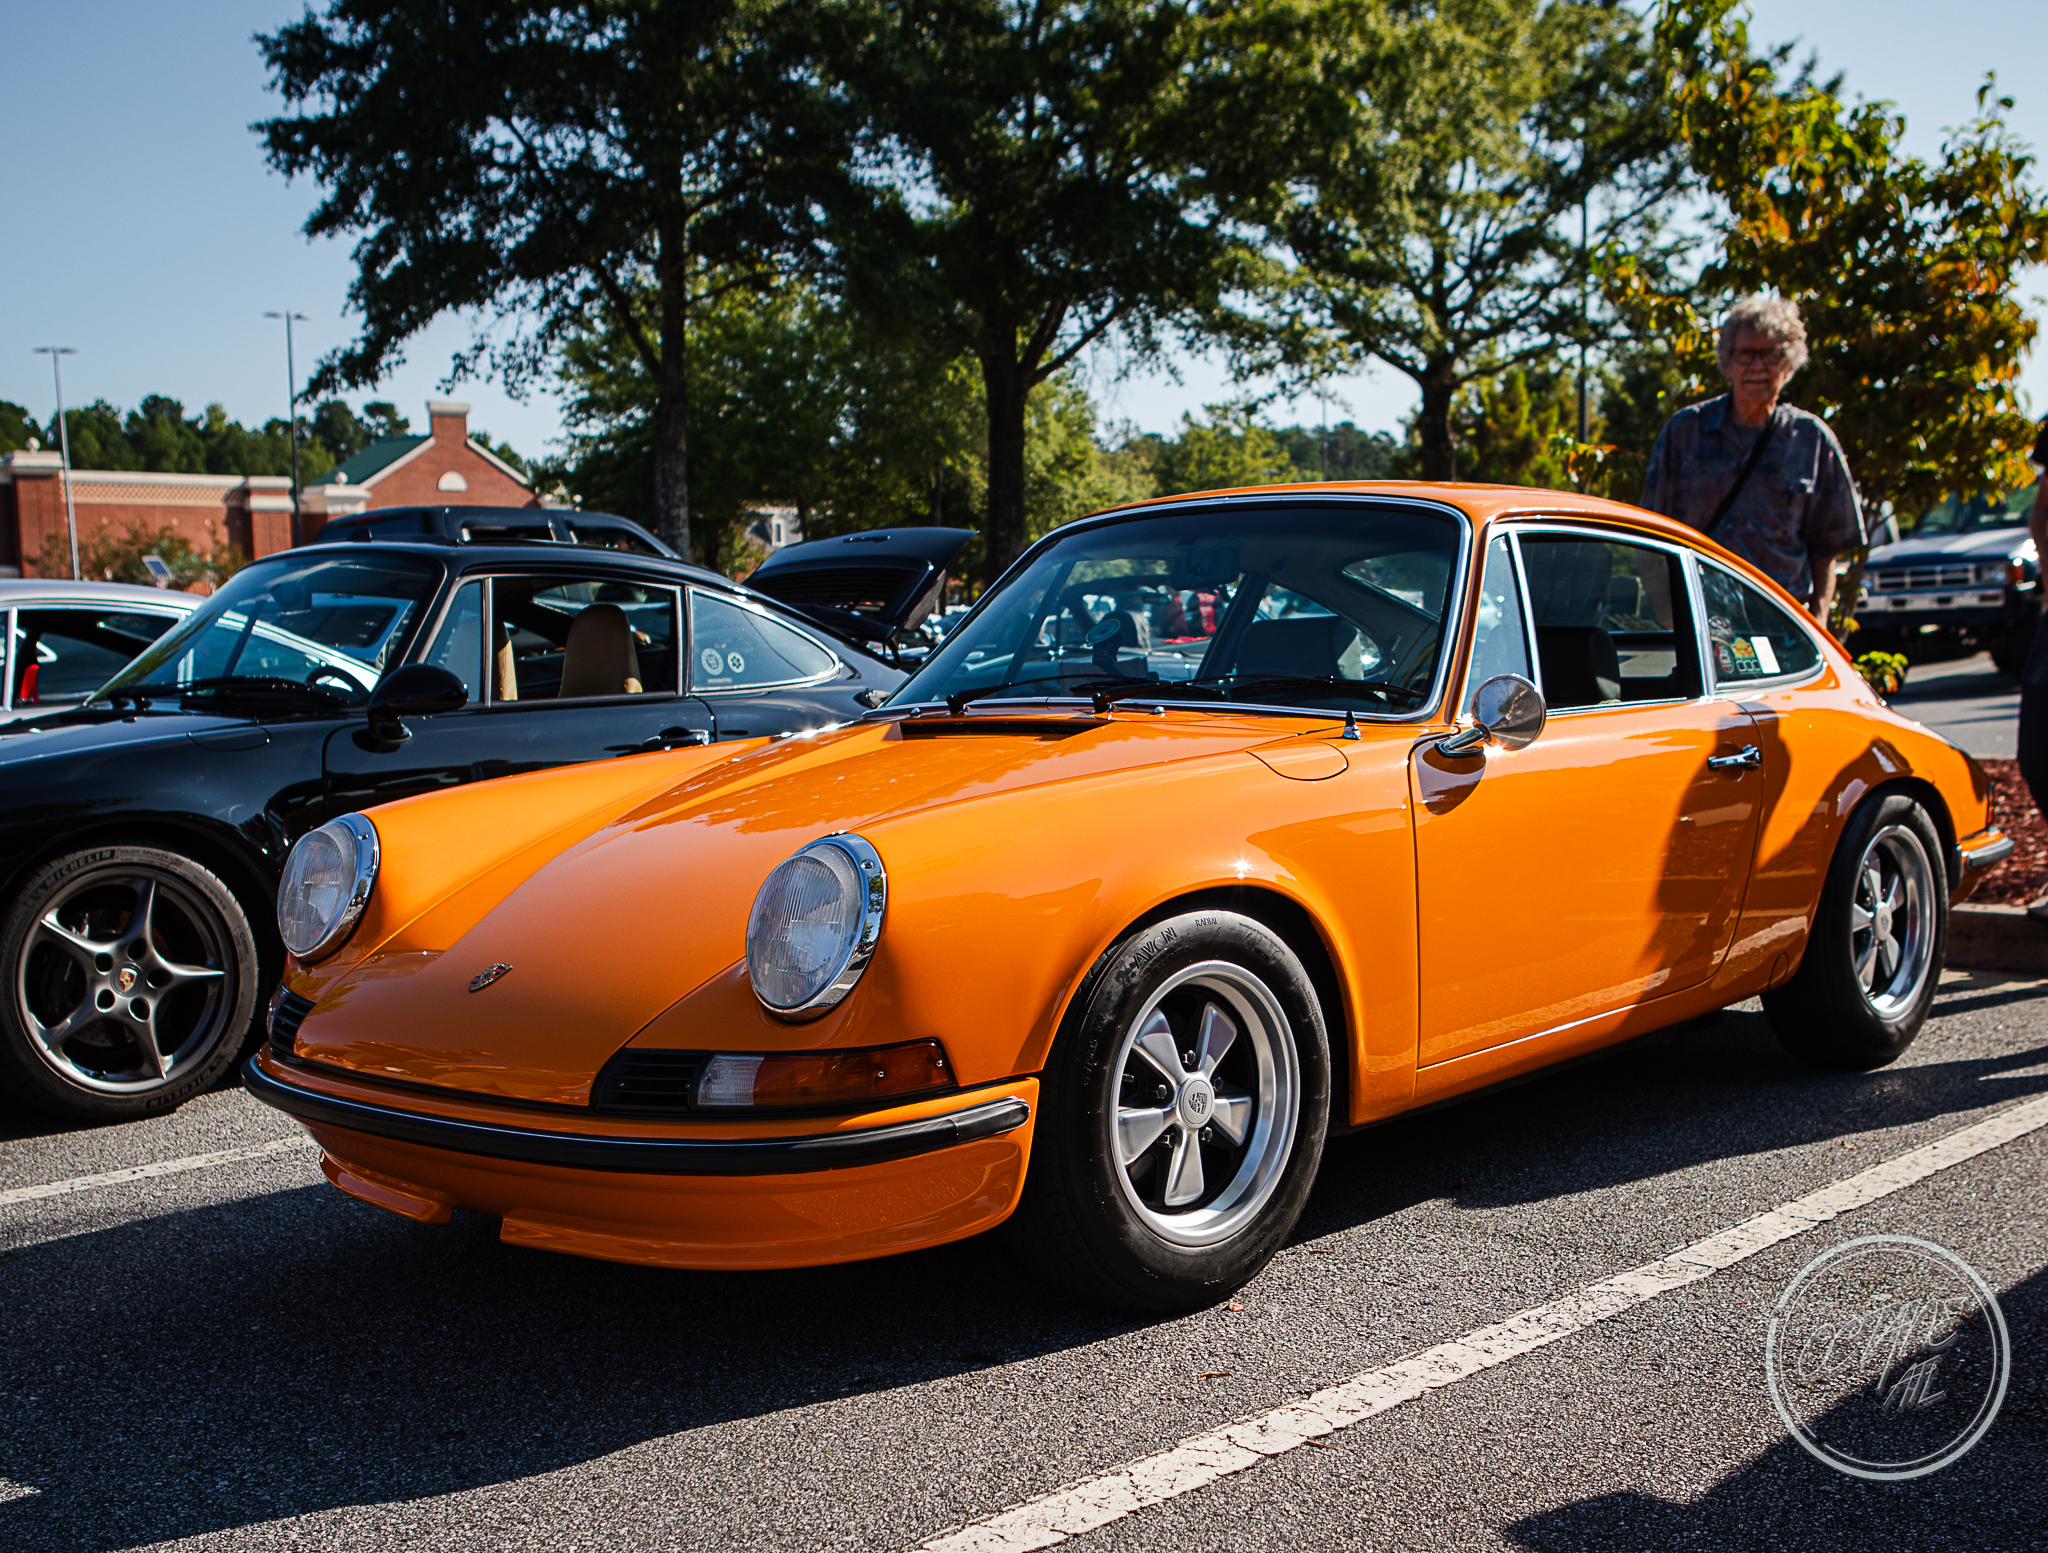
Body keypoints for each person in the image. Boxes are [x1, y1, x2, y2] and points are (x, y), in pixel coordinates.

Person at [1641, 295, 1864, 619]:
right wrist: (1670, 621)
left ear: (1788, 363)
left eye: (1770, 354)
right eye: (1745, 353)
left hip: (1785, 628)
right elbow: (1650, 537)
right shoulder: (1684, 432)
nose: (1757, 366)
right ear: (1727, 362)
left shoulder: (1812, 440)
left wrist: (1818, 623)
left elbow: (1826, 550)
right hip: (1702, 624)